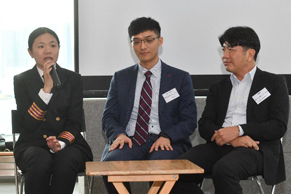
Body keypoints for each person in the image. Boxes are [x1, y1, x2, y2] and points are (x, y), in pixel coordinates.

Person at [170, 26, 289, 194]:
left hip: (256, 148)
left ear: (250, 54)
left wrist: (239, 130)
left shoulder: (273, 83)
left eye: (231, 50)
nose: (224, 56)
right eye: (224, 49)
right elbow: (205, 125)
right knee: (174, 171)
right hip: (220, 146)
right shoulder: (218, 87)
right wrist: (230, 138)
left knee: (224, 170)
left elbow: (278, 126)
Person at [101, 17, 197, 193]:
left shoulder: (180, 78)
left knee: (160, 167)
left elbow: (189, 120)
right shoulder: (121, 77)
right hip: (129, 140)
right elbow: (109, 116)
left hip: (164, 140)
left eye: (148, 40)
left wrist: (168, 136)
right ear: (131, 45)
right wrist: (119, 134)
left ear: (160, 41)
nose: (143, 47)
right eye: (137, 41)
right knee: (109, 166)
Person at [13, 27, 93, 194]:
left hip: (69, 143)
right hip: (32, 144)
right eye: (41, 46)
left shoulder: (73, 79)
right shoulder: (22, 80)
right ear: (30, 52)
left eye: (53, 45)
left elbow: (75, 121)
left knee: (66, 159)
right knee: (39, 159)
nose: (48, 50)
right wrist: (46, 89)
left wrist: (60, 143)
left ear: (59, 49)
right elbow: (27, 124)